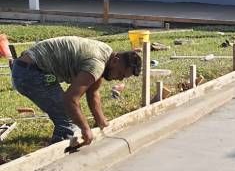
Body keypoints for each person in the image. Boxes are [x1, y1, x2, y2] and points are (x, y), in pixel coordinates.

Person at [10, 36, 142, 148]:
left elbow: (93, 92)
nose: (118, 78)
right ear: (115, 61)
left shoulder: (106, 53)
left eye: (122, 77)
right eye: (120, 73)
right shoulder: (97, 64)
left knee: (72, 118)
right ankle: (59, 160)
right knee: (68, 119)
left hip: (31, 68)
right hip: (28, 73)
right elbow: (71, 99)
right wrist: (85, 129)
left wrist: (101, 121)